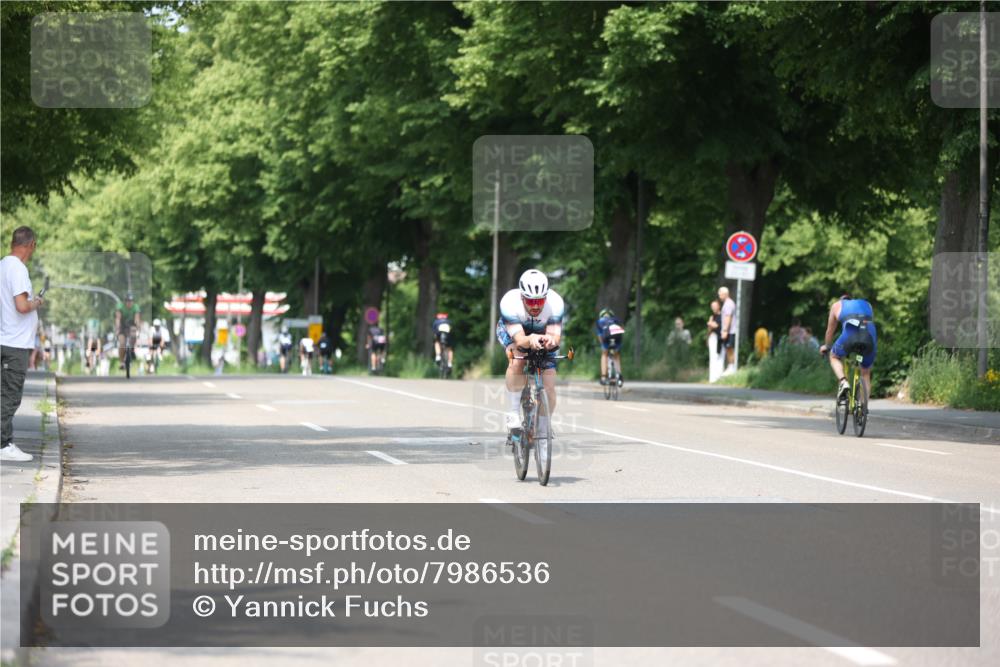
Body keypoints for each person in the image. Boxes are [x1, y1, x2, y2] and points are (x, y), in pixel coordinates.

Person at [499, 269, 564, 440]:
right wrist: (531, 338)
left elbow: (555, 337)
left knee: (549, 383)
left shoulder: (555, 303)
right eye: (530, 300)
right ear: (522, 297)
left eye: (540, 300)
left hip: (542, 333)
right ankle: (513, 414)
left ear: (546, 297)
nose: (535, 305)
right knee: (516, 361)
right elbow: (520, 340)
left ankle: (543, 429)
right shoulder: (509, 303)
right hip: (516, 332)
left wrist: (549, 341)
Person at [1, 226, 44, 462]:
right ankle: (3, 445)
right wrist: (36, 301)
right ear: (31, 245)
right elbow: (21, 306)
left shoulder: (2, 265)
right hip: (14, 343)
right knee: (9, 396)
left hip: (5, 339)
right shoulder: (17, 269)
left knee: (3, 394)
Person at [819, 294, 877, 402]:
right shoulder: (867, 304)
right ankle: (863, 410)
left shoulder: (836, 305)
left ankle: (843, 382)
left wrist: (827, 346)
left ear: (841, 301)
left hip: (851, 333)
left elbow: (830, 331)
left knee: (834, 356)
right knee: (865, 372)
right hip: (869, 333)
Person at [594, 308, 625, 386]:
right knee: (616, 356)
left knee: (604, 354)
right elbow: (621, 332)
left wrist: (603, 346)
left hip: (606, 339)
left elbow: (600, 337)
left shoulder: (600, 322)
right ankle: (619, 376)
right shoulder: (616, 320)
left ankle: (603, 377)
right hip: (617, 338)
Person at [115, 292, 141, 371]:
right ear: (125, 301)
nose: (129, 303)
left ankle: (132, 349)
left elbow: (137, 319)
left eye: (131, 301)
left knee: (133, 333)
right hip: (122, 325)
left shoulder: (135, 307)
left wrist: (138, 328)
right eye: (128, 301)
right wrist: (117, 328)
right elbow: (118, 318)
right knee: (122, 343)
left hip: (131, 324)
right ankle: (121, 362)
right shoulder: (120, 306)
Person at [718, 286, 737, 374]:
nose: (719, 296)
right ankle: (730, 366)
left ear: (725, 294)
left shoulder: (729, 304)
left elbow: (728, 317)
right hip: (728, 330)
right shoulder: (727, 303)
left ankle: (731, 367)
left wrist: (725, 330)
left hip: (730, 331)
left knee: (729, 349)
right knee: (728, 348)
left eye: (720, 294)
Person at [707, 300, 724, 383]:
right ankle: (712, 378)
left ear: (718, 306)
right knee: (712, 358)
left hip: (720, 338)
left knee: (720, 357)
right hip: (713, 337)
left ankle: (719, 377)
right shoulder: (712, 316)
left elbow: (716, 325)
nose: (713, 308)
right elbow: (710, 328)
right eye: (712, 306)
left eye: (715, 306)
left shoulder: (722, 316)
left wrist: (711, 323)